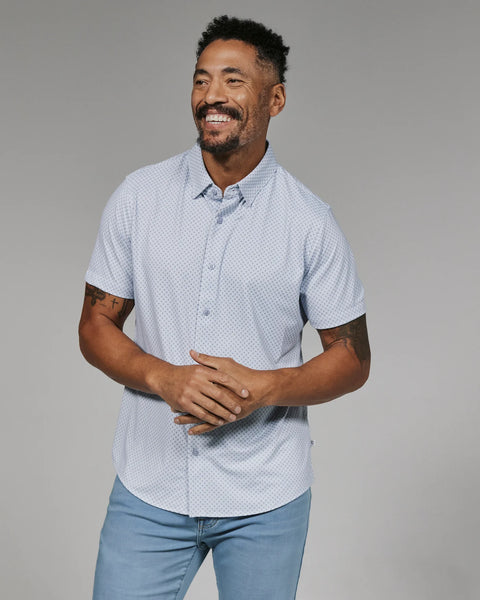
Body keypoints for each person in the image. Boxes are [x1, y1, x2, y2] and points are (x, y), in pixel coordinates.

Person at [79, 15, 370, 600]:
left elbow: (353, 358)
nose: (212, 95)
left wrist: (266, 388)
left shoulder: (309, 223)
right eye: (201, 79)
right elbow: (94, 324)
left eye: (233, 80)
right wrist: (162, 376)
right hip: (150, 483)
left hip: (265, 495)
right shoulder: (139, 198)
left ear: (275, 99)